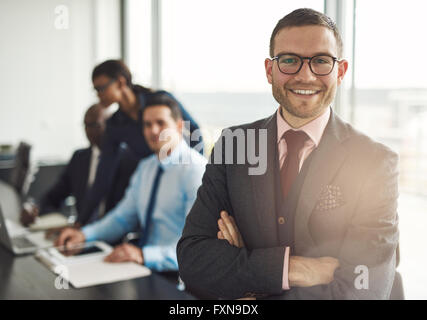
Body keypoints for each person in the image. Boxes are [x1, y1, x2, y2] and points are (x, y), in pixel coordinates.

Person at [177, 8, 399, 299]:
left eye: (321, 61)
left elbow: (362, 288)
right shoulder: (234, 144)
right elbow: (193, 260)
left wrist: (249, 286)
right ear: (270, 70)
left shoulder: (374, 162)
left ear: (340, 71)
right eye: (289, 60)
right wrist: (295, 269)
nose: (305, 75)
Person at [55, 94, 207, 271]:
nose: (154, 131)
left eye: (161, 123)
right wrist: (84, 235)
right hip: (143, 268)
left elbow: (199, 247)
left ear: (179, 126)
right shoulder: (146, 168)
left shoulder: (196, 172)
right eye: (147, 125)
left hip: (179, 276)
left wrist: (143, 255)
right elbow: (121, 218)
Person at [79, 60, 204, 226]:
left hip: (179, 177)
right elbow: (104, 174)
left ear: (120, 82)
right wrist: (81, 221)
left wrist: (196, 170)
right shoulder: (115, 124)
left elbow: (194, 130)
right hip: (149, 182)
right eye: (95, 90)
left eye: (100, 88)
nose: (98, 95)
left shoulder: (160, 101)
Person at [20, 104, 138, 227]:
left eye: (95, 125)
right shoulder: (79, 158)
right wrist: (33, 207)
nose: (88, 131)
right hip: (80, 231)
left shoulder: (129, 160)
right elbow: (53, 195)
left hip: (113, 235)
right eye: (85, 125)